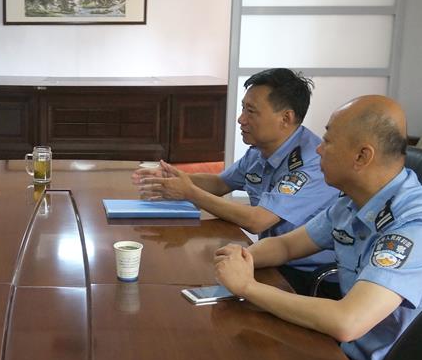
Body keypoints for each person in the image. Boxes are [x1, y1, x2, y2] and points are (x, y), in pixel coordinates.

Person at [213, 95, 422, 360]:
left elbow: (348, 321)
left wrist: (247, 287)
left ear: (362, 156)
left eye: (328, 141)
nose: (319, 149)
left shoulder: (417, 225)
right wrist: (241, 258)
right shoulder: (353, 201)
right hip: (347, 350)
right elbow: (288, 245)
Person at [133, 68, 339, 295]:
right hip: (270, 259)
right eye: (243, 108)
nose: (241, 119)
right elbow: (221, 184)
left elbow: (257, 220)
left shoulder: (310, 163)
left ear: (285, 118)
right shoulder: (260, 150)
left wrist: (189, 192)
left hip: (310, 277)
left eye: (251, 111)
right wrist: (174, 178)